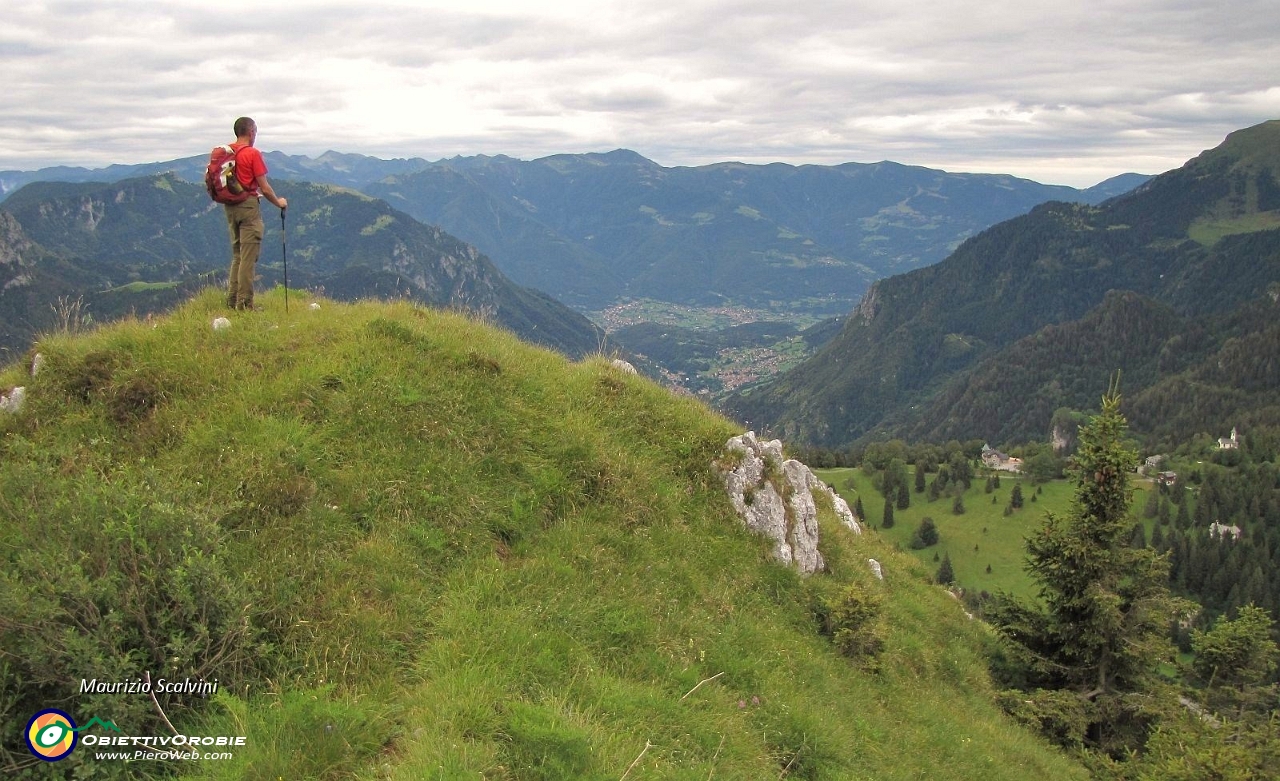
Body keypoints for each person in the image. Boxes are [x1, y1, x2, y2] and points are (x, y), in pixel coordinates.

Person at [221, 117, 287, 310]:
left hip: (230, 207)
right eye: (255, 131)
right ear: (250, 132)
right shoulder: (252, 154)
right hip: (248, 208)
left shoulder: (228, 153)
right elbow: (265, 188)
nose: (255, 134)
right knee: (248, 258)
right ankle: (244, 304)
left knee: (237, 256)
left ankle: (233, 300)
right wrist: (279, 203)